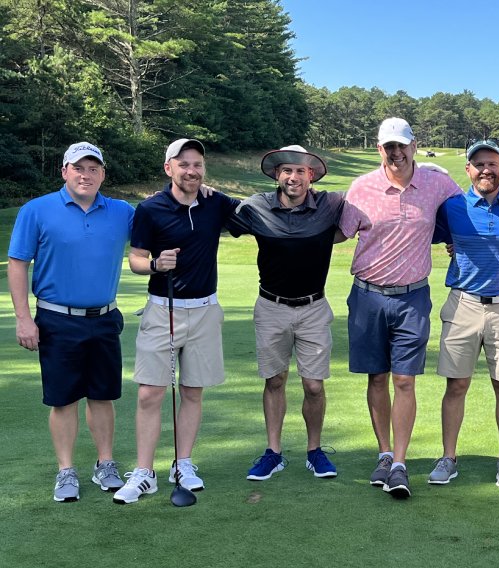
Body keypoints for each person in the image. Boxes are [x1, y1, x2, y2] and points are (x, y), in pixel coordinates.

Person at [338, 118, 499, 499]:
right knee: (377, 378)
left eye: (402, 145)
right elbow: (336, 231)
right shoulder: (361, 187)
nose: (396, 152)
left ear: (414, 145)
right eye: (389, 146)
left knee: (405, 380)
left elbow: (475, 196)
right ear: (379, 149)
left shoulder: (437, 183)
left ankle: (401, 463)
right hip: (367, 294)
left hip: (412, 296)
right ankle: (384, 454)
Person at [114, 138, 240, 504]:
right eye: (184, 164)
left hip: (205, 310)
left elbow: (253, 214)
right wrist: (155, 264)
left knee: (192, 391)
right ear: (169, 168)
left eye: (198, 164)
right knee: (151, 392)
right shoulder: (150, 208)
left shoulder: (216, 203)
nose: (192, 170)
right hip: (162, 309)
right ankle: (144, 472)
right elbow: (136, 258)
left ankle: (182, 463)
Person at [8, 142, 134, 502]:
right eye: (78, 168)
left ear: (103, 174)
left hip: (105, 318)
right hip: (55, 319)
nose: (86, 174)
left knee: (102, 396)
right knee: (63, 400)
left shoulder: (122, 212)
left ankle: (105, 463)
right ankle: (66, 471)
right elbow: (18, 264)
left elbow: (159, 221)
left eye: (94, 168)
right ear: (64, 171)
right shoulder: (37, 210)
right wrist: (23, 318)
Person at [227, 145, 344, 481]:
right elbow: (215, 215)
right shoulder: (256, 206)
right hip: (271, 307)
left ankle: (314, 451)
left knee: (313, 386)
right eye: (287, 171)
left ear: (311, 176)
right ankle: (273, 452)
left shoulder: (331, 204)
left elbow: (367, 211)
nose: (294, 177)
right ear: (277, 175)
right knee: (275, 379)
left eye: (301, 171)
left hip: (314, 308)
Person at [427, 138, 499, 488]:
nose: (486, 169)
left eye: (493, 163)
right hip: (463, 304)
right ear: (468, 169)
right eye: (479, 164)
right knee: (456, 385)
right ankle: (448, 457)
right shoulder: (452, 207)